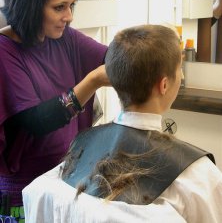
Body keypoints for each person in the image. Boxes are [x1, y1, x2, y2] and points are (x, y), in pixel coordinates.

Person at [22, 24, 222, 223]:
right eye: (179, 70)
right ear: (164, 85)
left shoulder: (77, 152)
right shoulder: (198, 177)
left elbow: (39, 197)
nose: (183, 76)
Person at [0, 0, 109, 222]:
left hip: (65, 177)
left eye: (72, 5)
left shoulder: (64, 38)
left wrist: (144, 47)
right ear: (31, 6)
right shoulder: (5, 51)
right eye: (59, 7)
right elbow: (38, 120)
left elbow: (113, 57)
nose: (69, 16)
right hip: (24, 190)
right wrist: (92, 81)